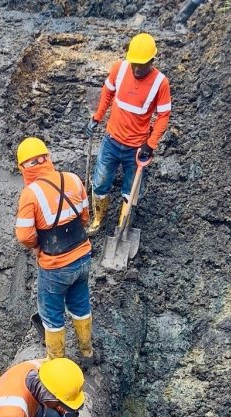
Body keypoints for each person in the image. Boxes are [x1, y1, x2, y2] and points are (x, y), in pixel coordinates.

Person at [14, 137, 95, 362]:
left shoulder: (31, 194)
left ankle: (57, 363)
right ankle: (87, 352)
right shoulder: (73, 179)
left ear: (23, 167)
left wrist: (38, 245)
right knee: (80, 303)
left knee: (51, 315)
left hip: (55, 266)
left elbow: (24, 236)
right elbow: (85, 217)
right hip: (83, 257)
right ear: (48, 158)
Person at [84, 32, 172, 234]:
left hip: (136, 148)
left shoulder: (160, 83)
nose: (137, 69)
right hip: (111, 141)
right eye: (134, 63)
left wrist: (150, 144)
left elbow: (163, 116)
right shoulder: (120, 69)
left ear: (152, 60)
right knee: (100, 182)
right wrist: (97, 117)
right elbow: (107, 93)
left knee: (130, 191)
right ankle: (98, 219)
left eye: (142, 64)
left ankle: (122, 226)